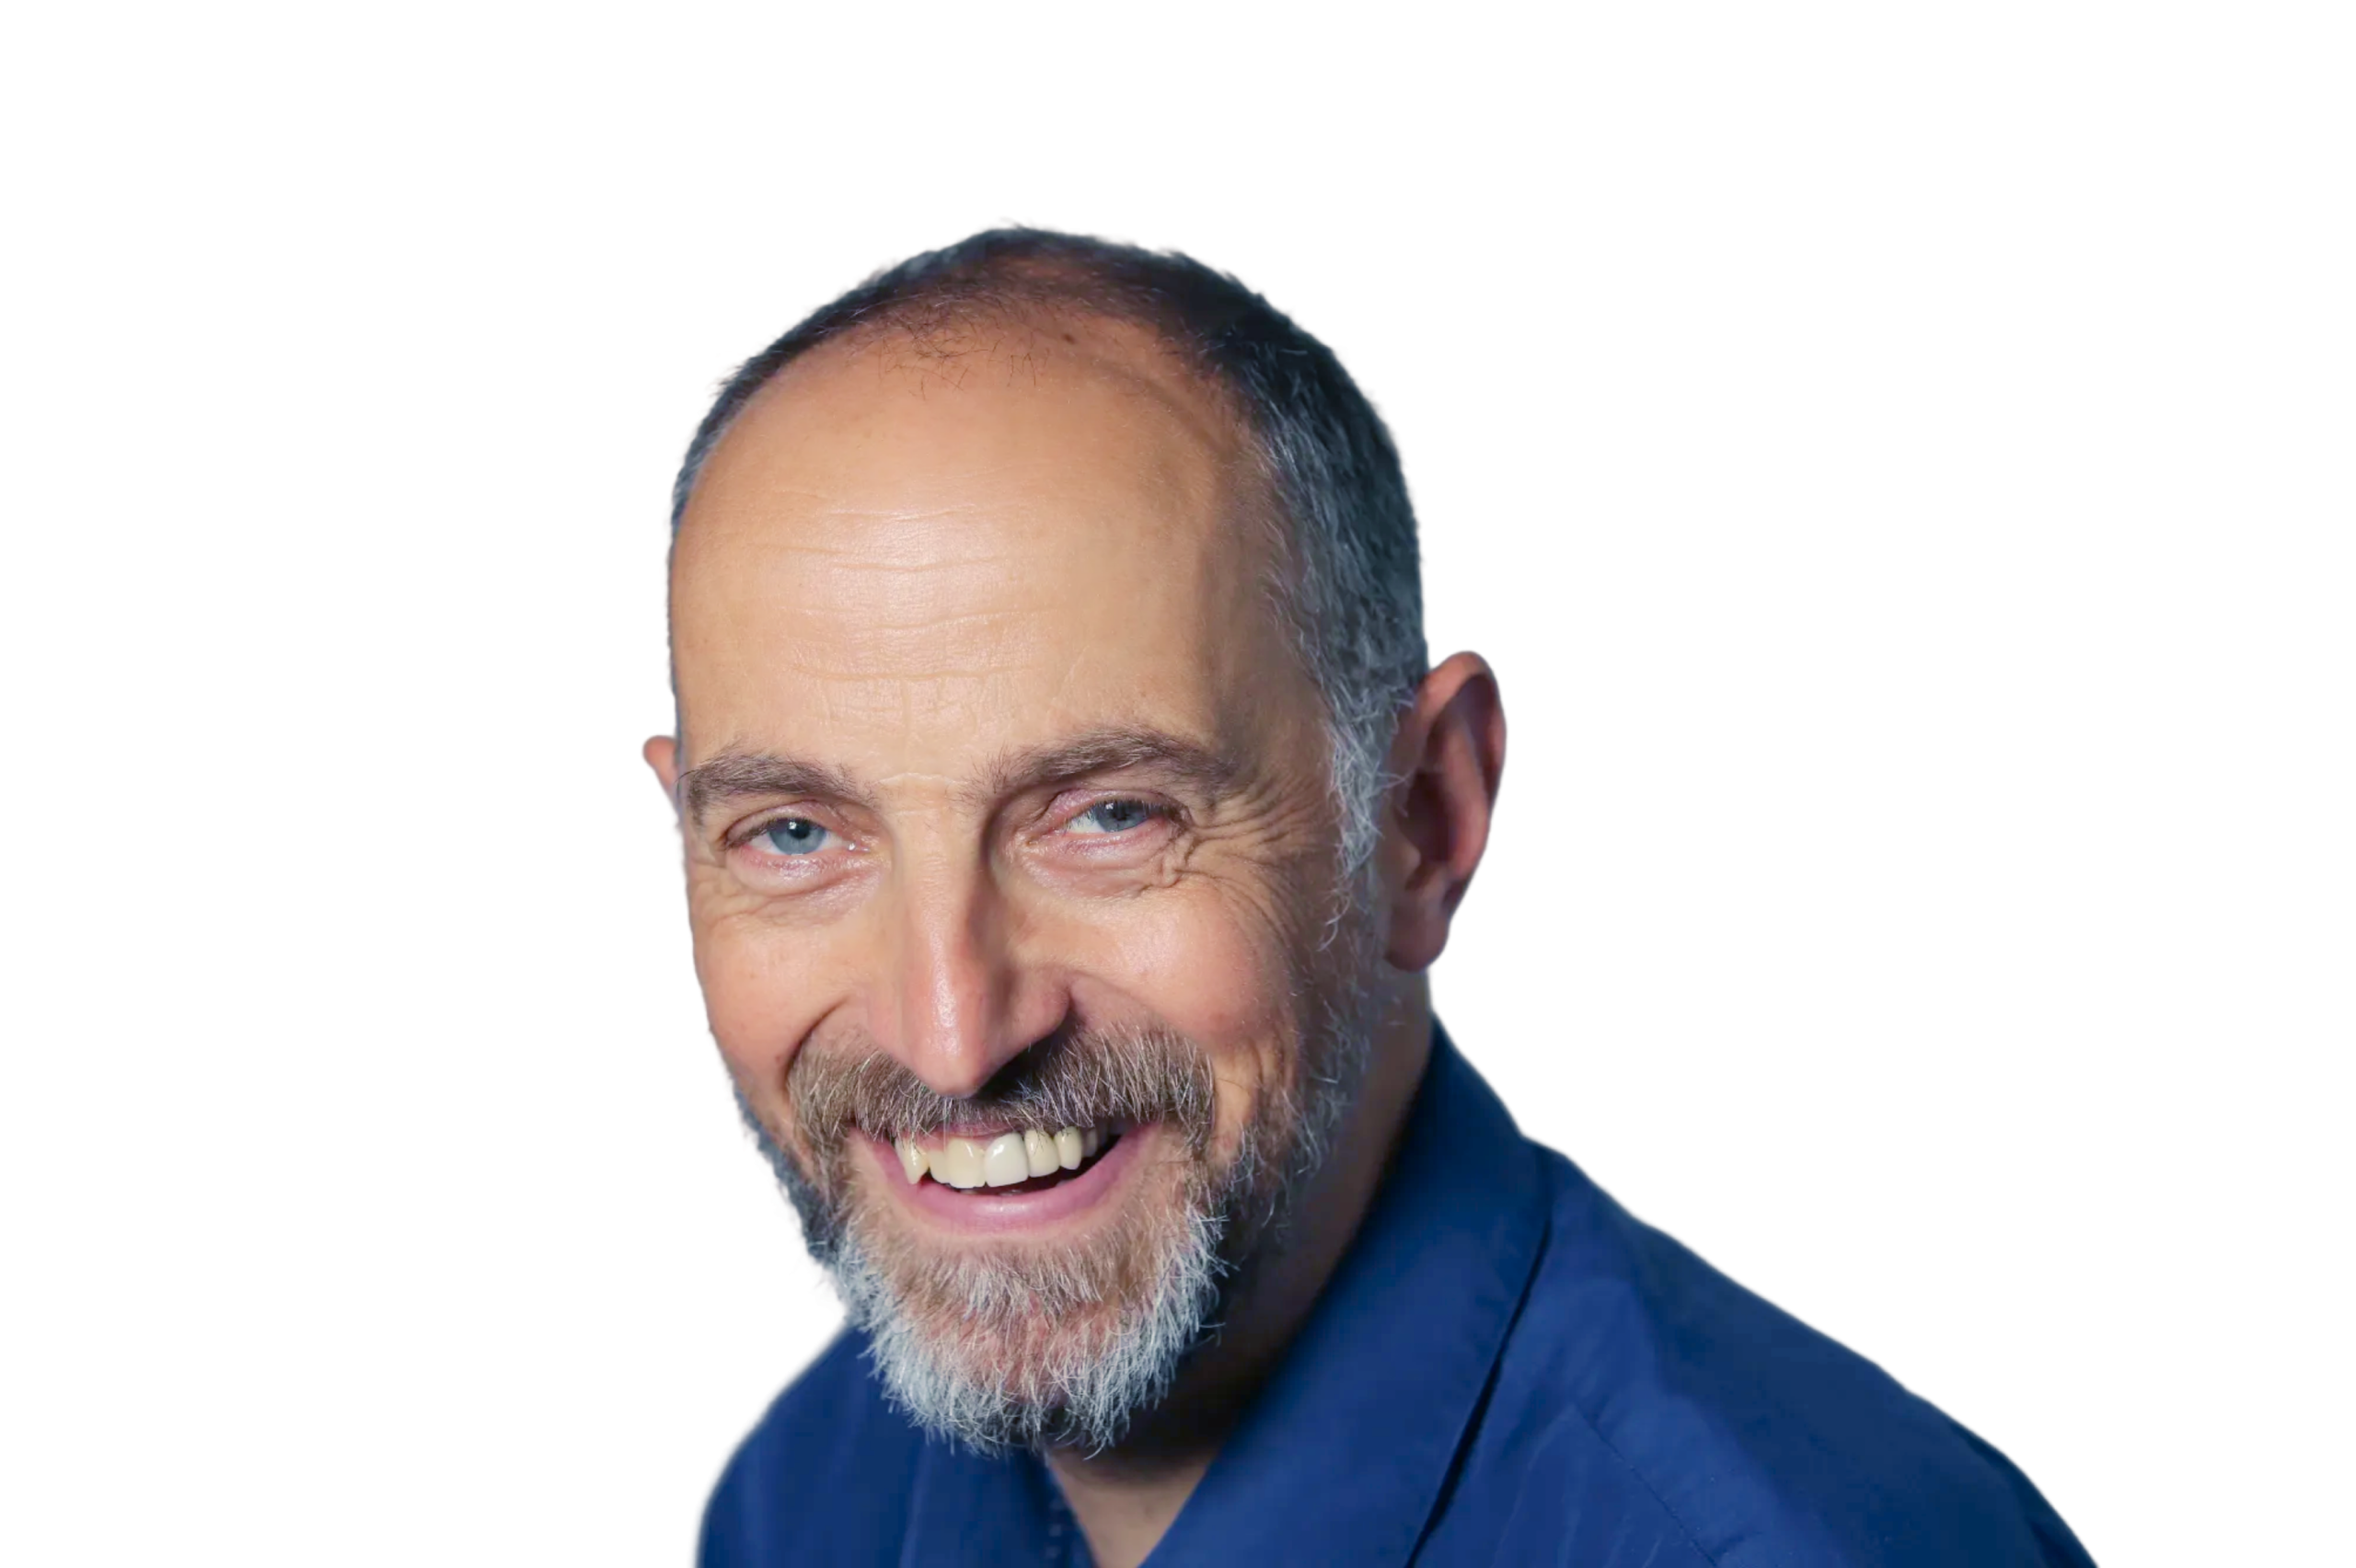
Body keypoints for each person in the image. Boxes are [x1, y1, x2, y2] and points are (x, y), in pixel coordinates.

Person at [641, 222, 2096, 1567]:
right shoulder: (805, 1494)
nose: (952, 1036)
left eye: (1111, 815)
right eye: (795, 834)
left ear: (1422, 818)